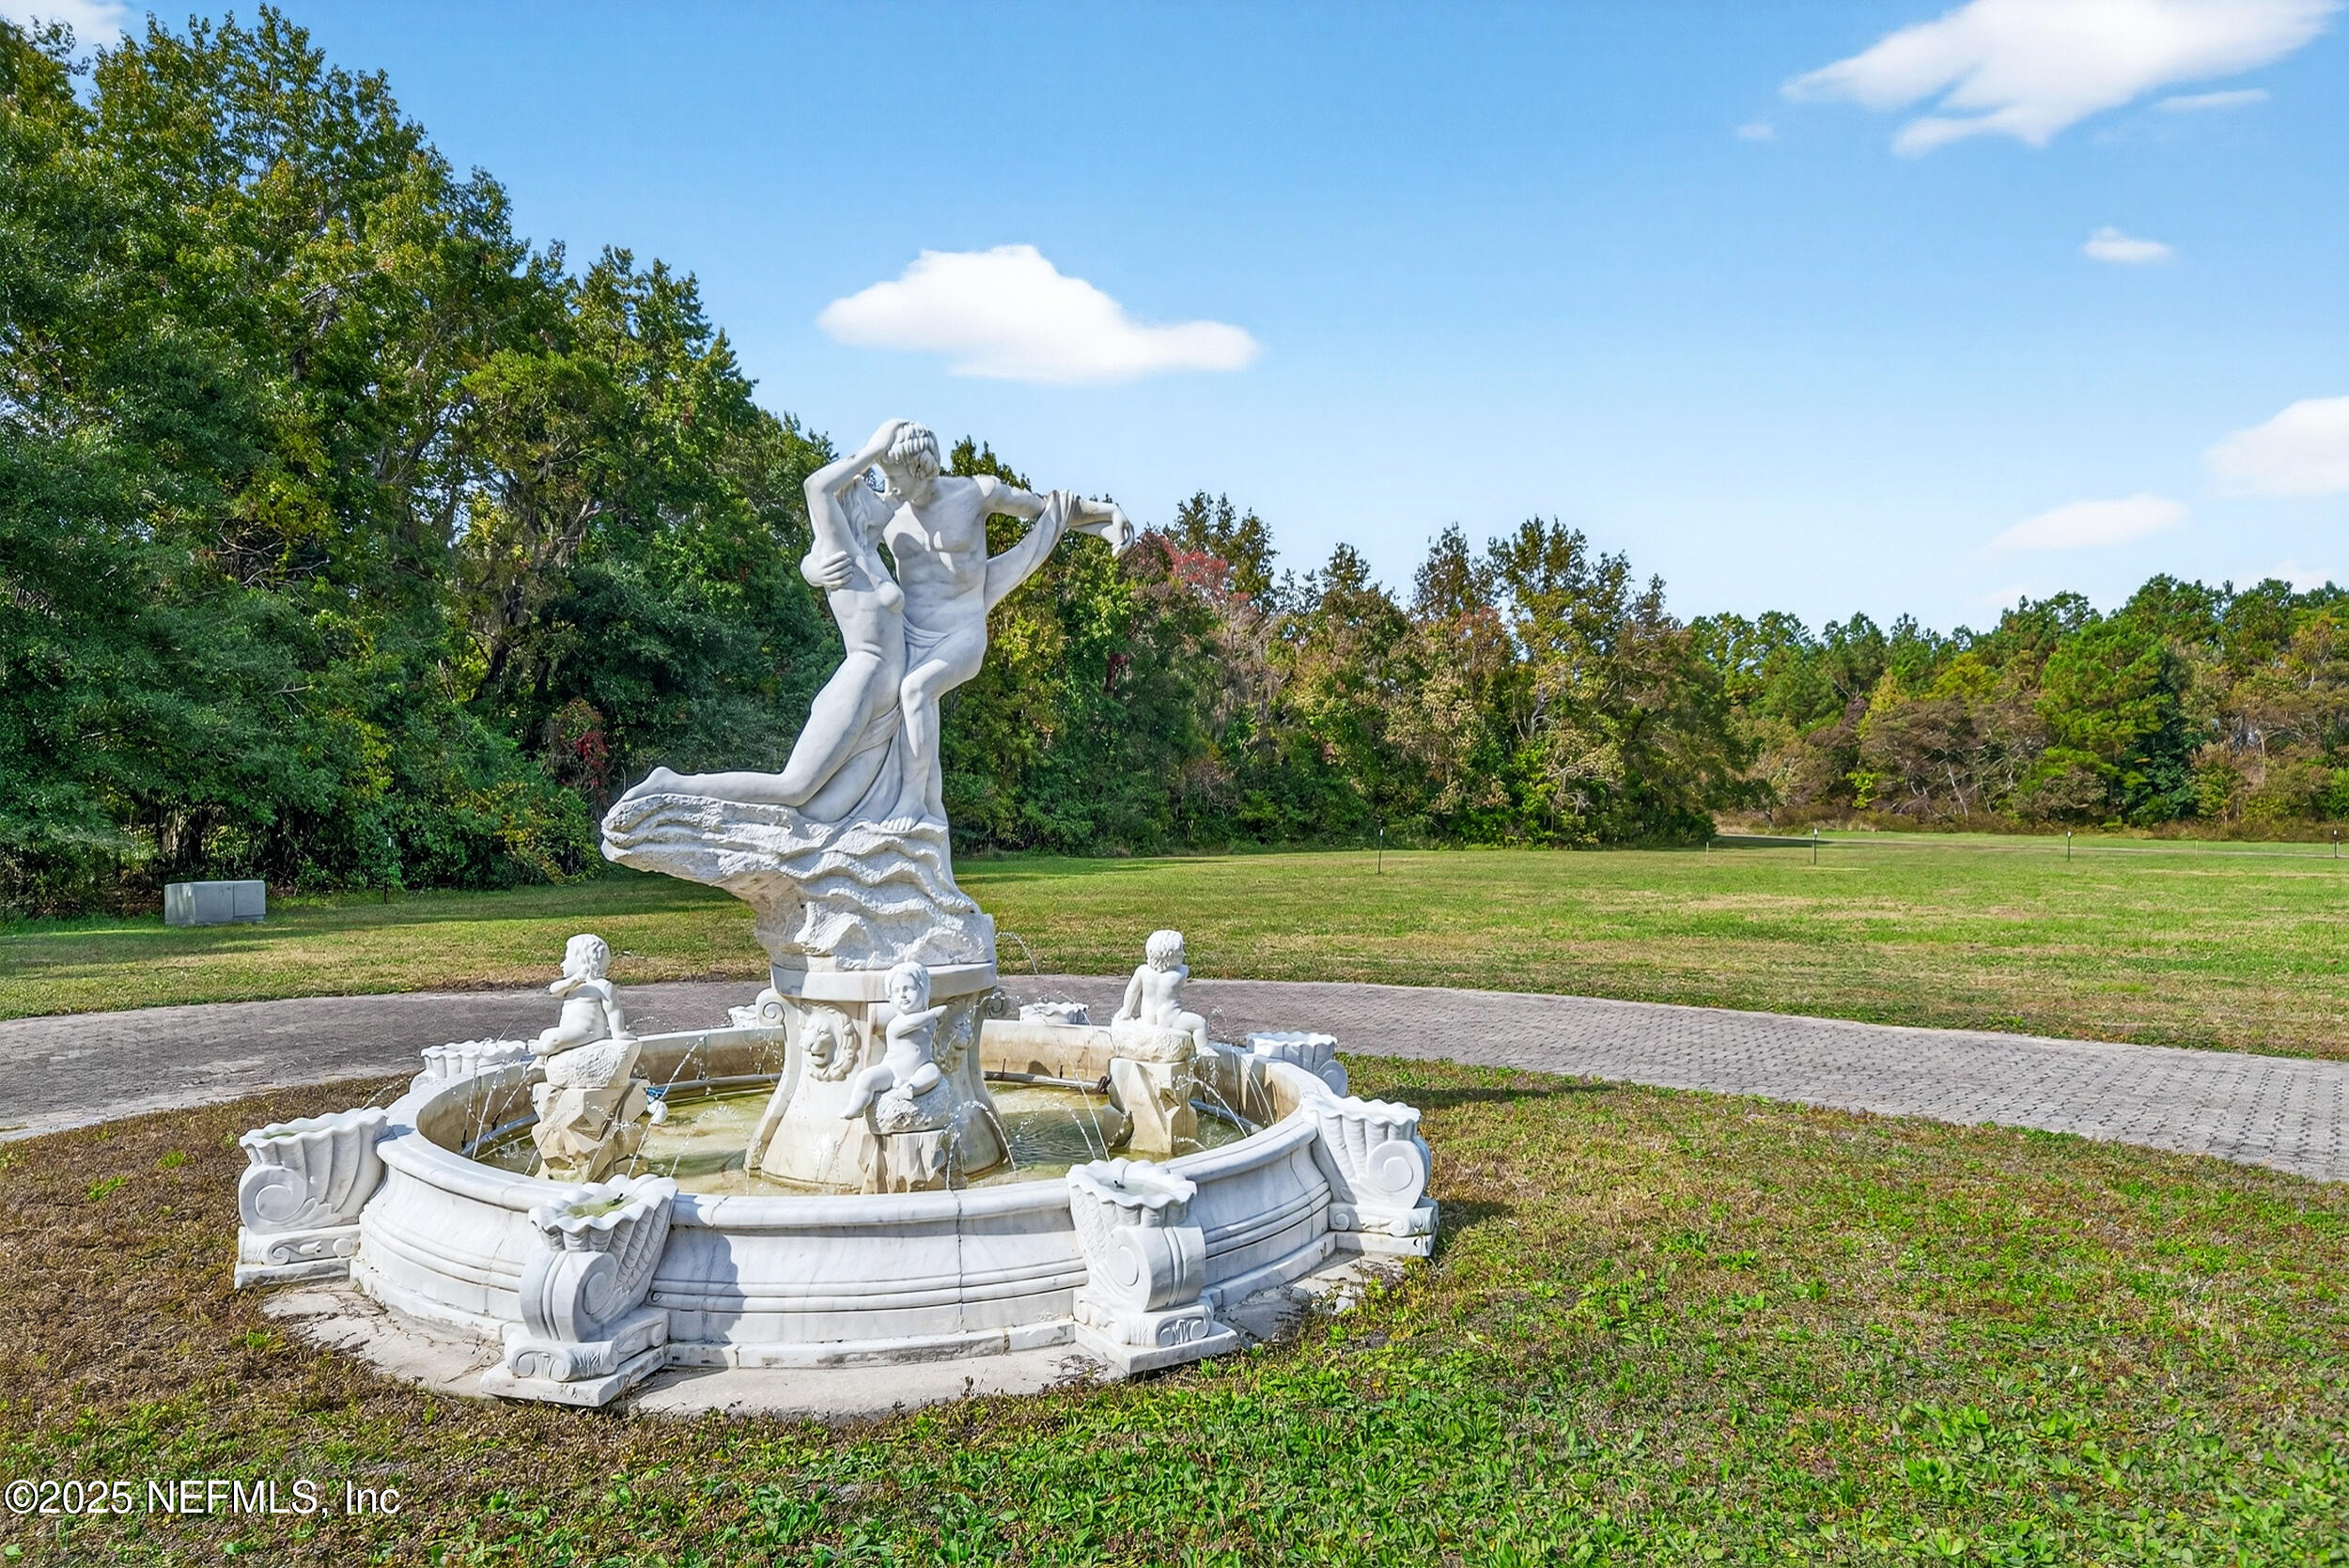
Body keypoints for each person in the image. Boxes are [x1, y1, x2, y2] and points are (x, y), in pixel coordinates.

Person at [811, 421, 1135, 824]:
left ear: (918, 469)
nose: (887, 485)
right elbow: (834, 540)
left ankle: (913, 803)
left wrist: (1109, 514)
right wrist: (816, 570)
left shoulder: (974, 493)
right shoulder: (887, 509)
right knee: (892, 716)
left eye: (893, 475)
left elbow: (1048, 508)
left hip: (961, 631)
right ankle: (911, 808)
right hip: (908, 634)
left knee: (916, 690)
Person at [842, 961, 947, 1117]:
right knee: (866, 1078)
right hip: (892, 1070)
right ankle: (856, 1107)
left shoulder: (928, 1023)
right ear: (891, 998)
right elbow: (912, 1022)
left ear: (923, 990)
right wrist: (933, 1013)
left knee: (933, 1072)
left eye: (908, 988)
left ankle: (911, 1087)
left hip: (921, 1067)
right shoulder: (897, 1023)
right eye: (896, 991)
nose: (902, 994)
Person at [1113, 929, 1210, 1057]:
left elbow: (1132, 991)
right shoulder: (1181, 972)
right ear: (1172, 955)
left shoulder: (1142, 971)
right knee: (1200, 1023)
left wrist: (1127, 1011)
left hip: (1147, 1019)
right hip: (1171, 1020)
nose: (1184, 953)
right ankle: (1202, 1049)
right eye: (1181, 950)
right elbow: (1182, 969)